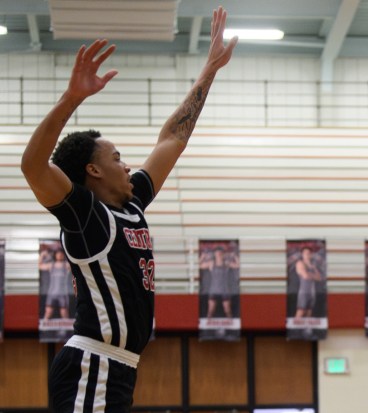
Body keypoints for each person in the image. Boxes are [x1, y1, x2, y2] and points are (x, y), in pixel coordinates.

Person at [20, 7, 237, 412]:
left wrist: (210, 69)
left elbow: (172, 137)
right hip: (93, 362)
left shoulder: (132, 202)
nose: (127, 164)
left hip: (119, 366)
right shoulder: (85, 217)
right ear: (93, 170)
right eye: (117, 157)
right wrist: (71, 99)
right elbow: (33, 166)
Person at [199, 246, 239, 318]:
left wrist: (235, 256)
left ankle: (231, 327)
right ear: (214, 254)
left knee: (228, 311)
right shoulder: (211, 263)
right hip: (214, 290)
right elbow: (199, 266)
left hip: (225, 291)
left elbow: (238, 265)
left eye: (220, 253)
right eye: (217, 253)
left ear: (223, 254)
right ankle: (207, 327)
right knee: (210, 312)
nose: (219, 254)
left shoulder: (226, 263)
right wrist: (202, 256)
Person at [39, 248, 72, 320]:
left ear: (63, 255)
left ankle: (65, 331)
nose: (60, 255)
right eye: (58, 253)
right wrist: (42, 255)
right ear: (55, 255)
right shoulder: (51, 265)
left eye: (61, 254)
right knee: (48, 313)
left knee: (64, 314)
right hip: (52, 294)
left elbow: (75, 264)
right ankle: (44, 330)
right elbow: (40, 266)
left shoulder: (66, 265)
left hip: (63, 294)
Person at [294, 247, 323, 318]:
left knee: (309, 312)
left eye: (308, 253)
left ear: (311, 255)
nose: (307, 254)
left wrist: (311, 275)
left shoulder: (313, 266)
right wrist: (314, 276)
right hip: (304, 292)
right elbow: (305, 276)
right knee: (301, 311)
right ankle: (294, 328)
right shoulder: (300, 263)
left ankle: (306, 329)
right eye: (305, 253)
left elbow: (319, 278)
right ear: (302, 254)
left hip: (312, 292)